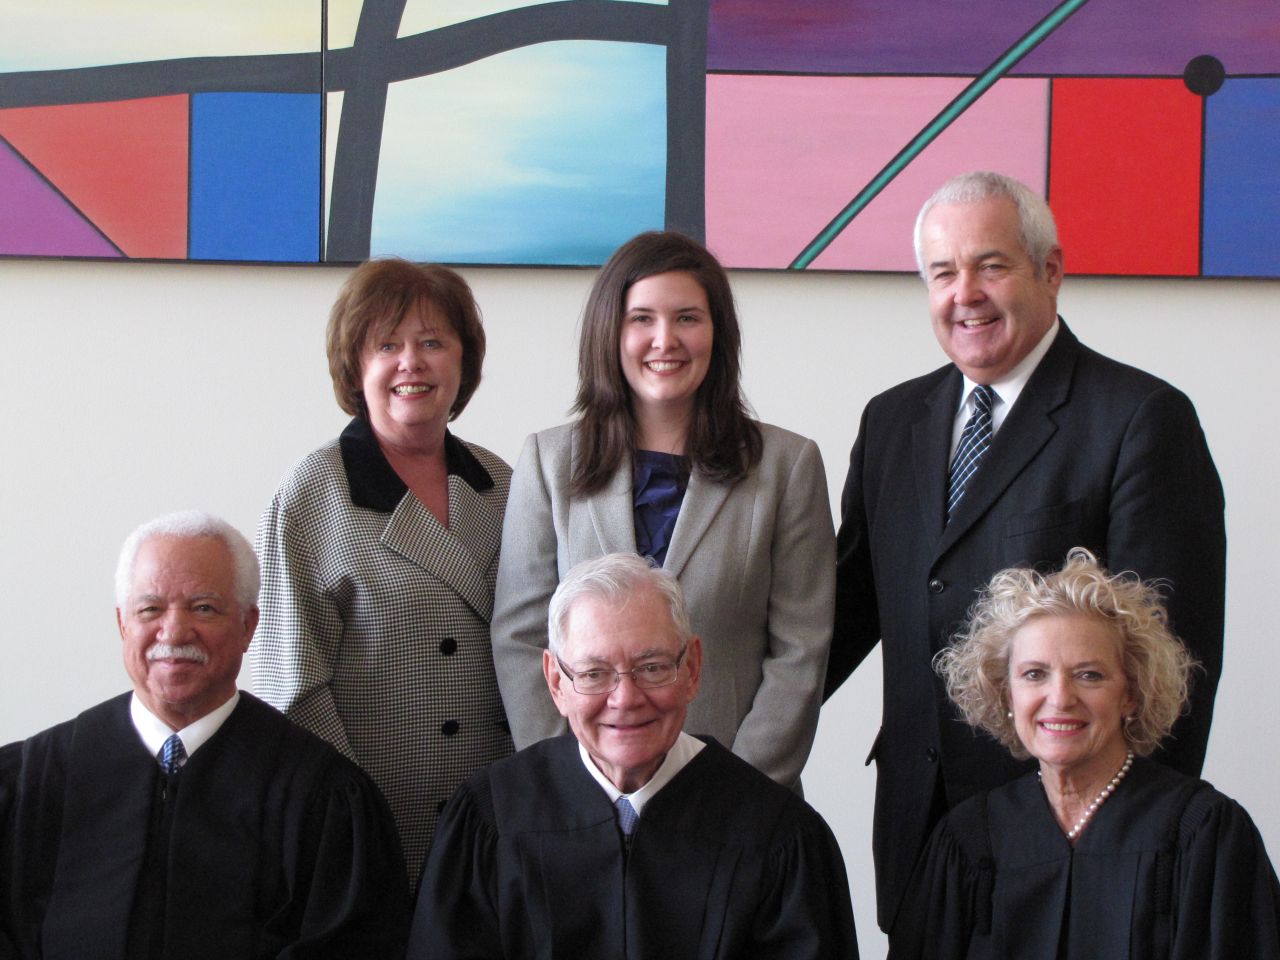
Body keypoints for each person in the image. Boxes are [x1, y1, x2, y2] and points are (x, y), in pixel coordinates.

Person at [824, 171, 1226, 931]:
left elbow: (1174, 662)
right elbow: (840, 616)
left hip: (1073, 839)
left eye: (992, 265)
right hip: (918, 830)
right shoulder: (892, 421)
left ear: (1050, 271)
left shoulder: (1141, 419)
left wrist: (1137, 848)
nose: (964, 293)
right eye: (943, 272)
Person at [492, 231, 834, 789]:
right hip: (584, 802)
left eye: (688, 318)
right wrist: (573, 786)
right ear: (612, 332)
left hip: (738, 801)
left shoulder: (787, 465)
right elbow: (522, 639)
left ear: (717, 334)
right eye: (642, 318)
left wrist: (739, 792)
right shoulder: (548, 463)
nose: (664, 339)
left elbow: (801, 649)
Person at [0, 511, 410, 958]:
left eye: (204, 608)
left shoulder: (319, 795)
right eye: (150, 609)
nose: (173, 631)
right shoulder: (31, 784)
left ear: (248, 626)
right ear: (123, 624)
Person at [410, 553, 858, 958]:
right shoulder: (490, 821)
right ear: (555, 681)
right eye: (594, 673)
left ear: (692, 669)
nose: (625, 698)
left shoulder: (778, 836)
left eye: (652, 667)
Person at [253, 257, 513, 882]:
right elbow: (290, 685)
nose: (411, 363)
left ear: (463, 361)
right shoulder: (313, 490)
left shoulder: (503, 484)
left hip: (495, 822)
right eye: (387, 345)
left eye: (432, 343)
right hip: (362, 831)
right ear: (356, 366)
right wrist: (347, 810)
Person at [890, 549, 1278, 959]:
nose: (1059, 698)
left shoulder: (1202, 835)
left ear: (1131, 694)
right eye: (1034, 674)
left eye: (1088, 675)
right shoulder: (968, 841)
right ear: (1006, 693)